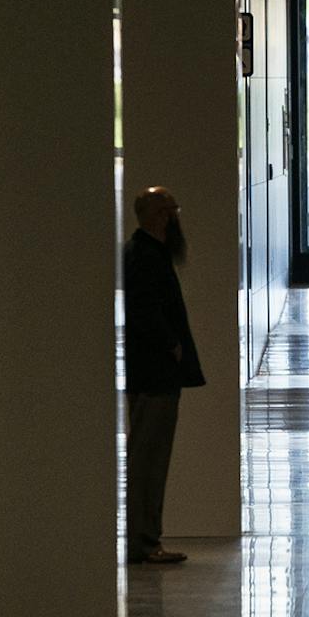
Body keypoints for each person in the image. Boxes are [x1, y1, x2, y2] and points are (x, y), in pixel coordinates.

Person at [123, 186, 207, 565]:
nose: (177, 218)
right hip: (155, 374)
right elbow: (147, 312)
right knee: (149, 461)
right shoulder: (145, 256)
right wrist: (171, 344)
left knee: (150, 459)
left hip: (156, 373)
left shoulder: (145, 252)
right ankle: (144, 541)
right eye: (173, 210)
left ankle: (146, 538)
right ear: (160, 216)